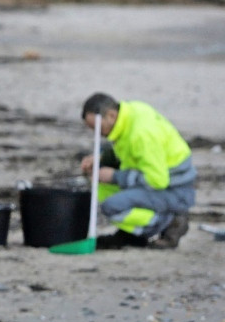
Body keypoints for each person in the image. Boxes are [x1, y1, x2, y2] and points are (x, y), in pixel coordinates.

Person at [78, 93, 195, 249]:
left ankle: (168, 221)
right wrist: (101, 158)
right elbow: (132, 152)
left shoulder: (141, 134)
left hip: (174, 189)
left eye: (97, 127)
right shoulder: (129, 115)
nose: (97, 133)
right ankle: (132, 234)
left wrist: (115, 176)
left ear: (111, 115)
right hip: (160, 180)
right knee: (101, 188)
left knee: (111, 206)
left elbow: (157, 180)